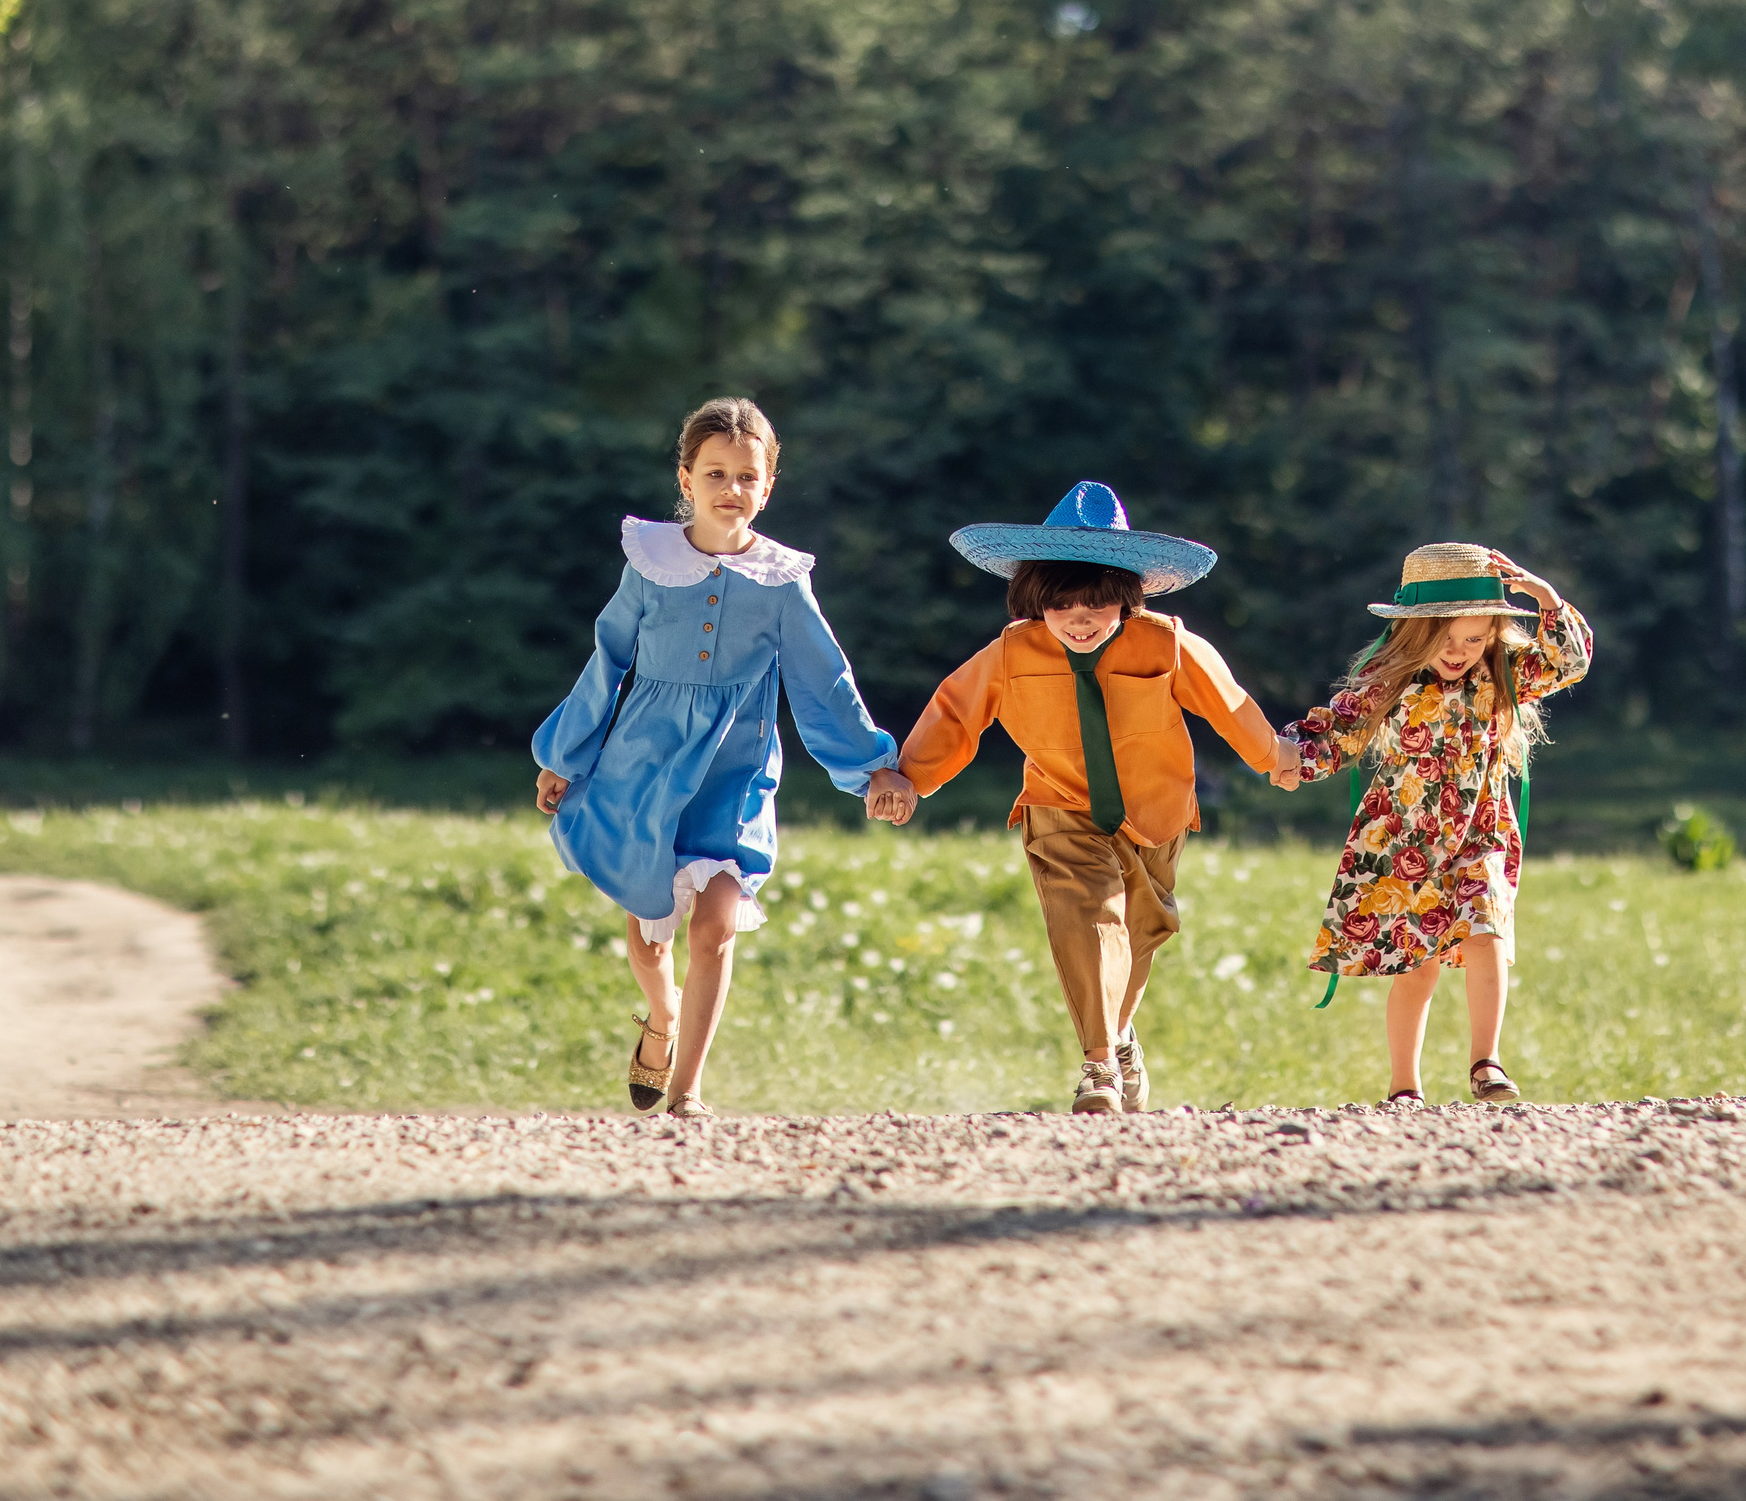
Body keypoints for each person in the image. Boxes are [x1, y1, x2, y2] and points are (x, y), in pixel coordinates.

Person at [533, 398, 914, 1118]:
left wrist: (873, 766)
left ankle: (688, 1091)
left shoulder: (781, 580)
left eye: (747, 475)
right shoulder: (649, 563)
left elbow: (822, 679)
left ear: (767, 485)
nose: (731, 488)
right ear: (686, 476)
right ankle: (663, 1015)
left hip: (733, 770)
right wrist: (564, 753)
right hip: (641, 763)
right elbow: (608, 659)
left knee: (715, 923)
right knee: (649, 931)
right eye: (716, 472)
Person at [877, 481, 1296, 1115]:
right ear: (1034, 601)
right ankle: (1098, 1066)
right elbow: (955, 714)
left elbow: (1228, 703)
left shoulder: (1166, 644)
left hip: (1156, 813)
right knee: (1088, 914)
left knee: (1142, 930)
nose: (1080, 617)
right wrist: (910, 777)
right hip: (1059, 802)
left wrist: (1277, 760)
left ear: (1126, 599)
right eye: (1063, 603)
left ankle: (1120, 1037)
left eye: (1097, 603)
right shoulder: (1011, 653)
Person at [1271, 542, 1592, 1105]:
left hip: (1480, 830)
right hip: (1403, 840)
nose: (1461, 651)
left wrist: (1544, 596)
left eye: (1475, 638)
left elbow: (1571, 662)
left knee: (1487, 931)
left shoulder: (1504, 674)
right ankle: (1404, 1087)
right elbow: (1335, 733)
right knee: (1416, 969)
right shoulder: (1388, 678)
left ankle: (1486, 1062)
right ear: (1416, 631)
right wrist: (1291, 759)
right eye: (1447, 638)